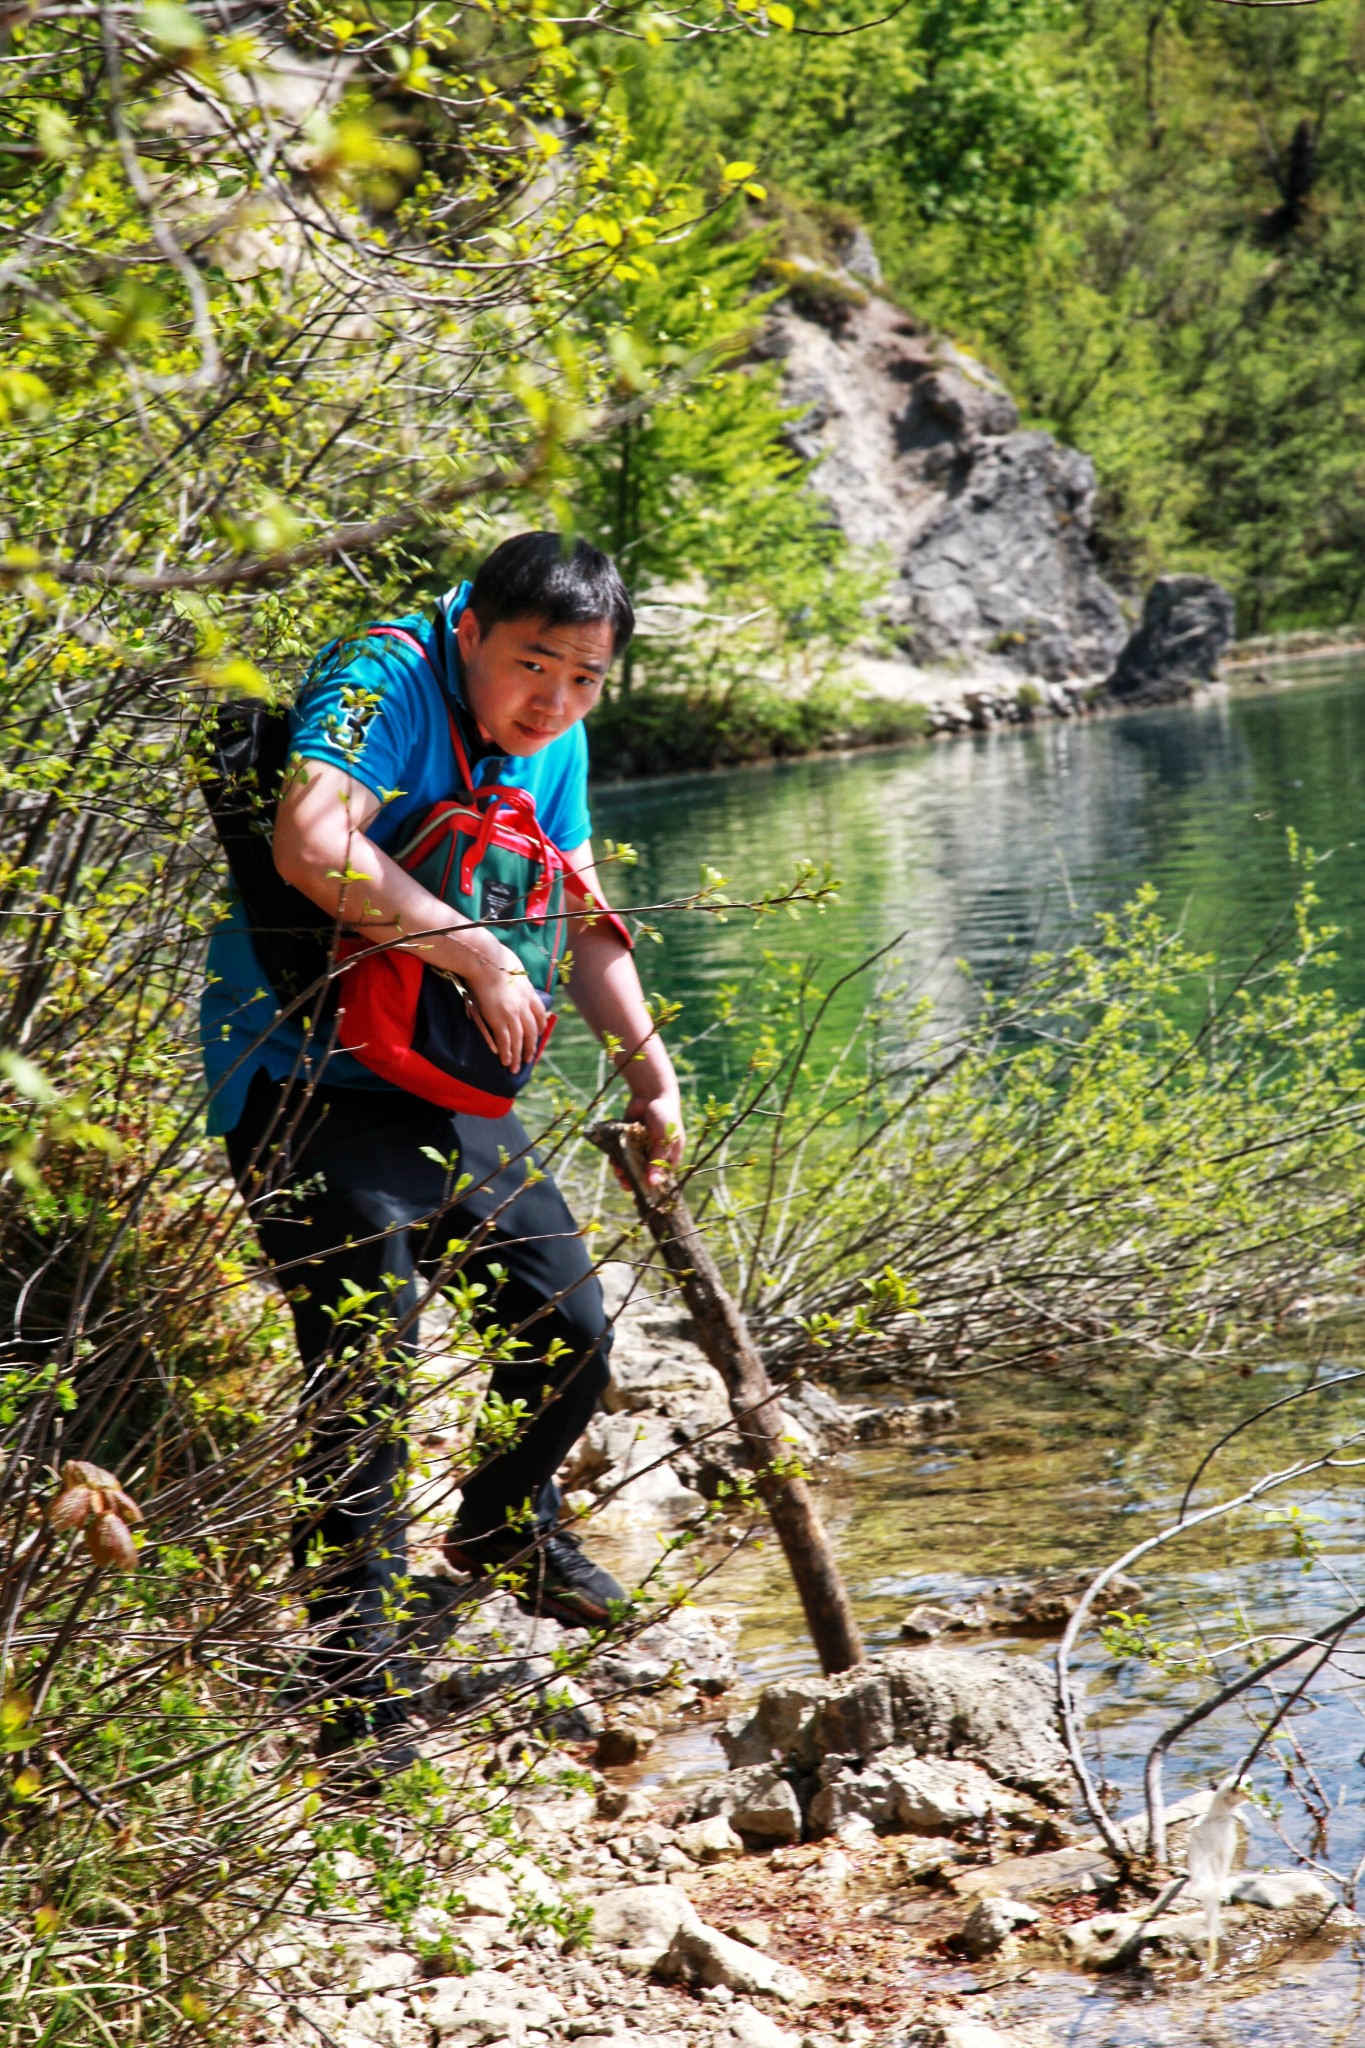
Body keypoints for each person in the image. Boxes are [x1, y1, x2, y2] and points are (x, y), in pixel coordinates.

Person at [200, 532, 684, 1769]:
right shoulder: (380, 680)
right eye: (535, 665)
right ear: (468, 628)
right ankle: (357, 1702)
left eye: (586, 678)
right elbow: (314, 840)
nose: (558, 701)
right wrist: (473, 947)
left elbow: (578, 909)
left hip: (434, 1070)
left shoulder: (551, 733)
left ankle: (505, 1521)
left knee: (569, 1325)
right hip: (300, 1067)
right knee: (363, 1354)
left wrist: (650, 1068)